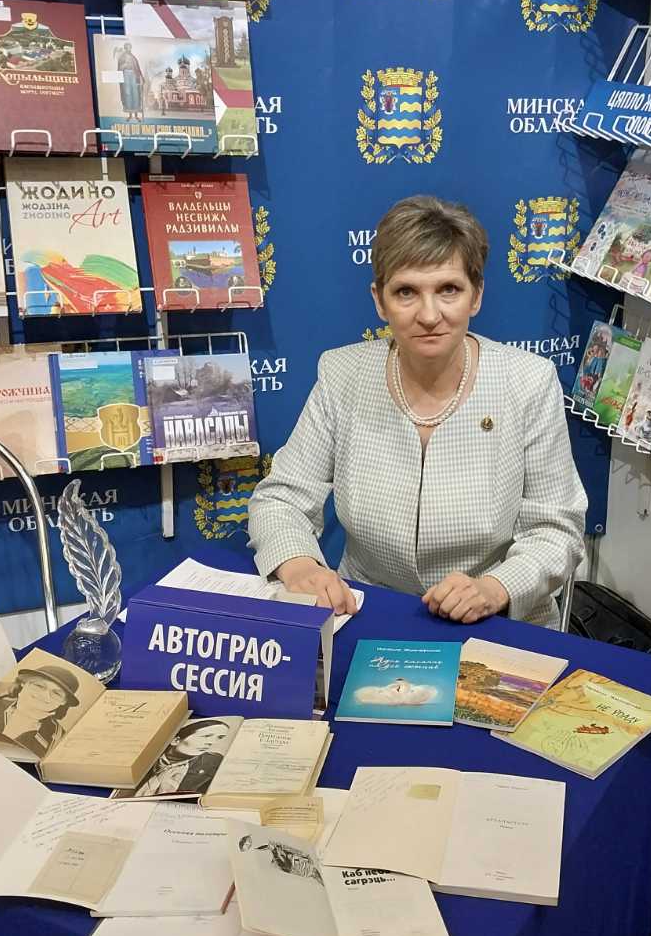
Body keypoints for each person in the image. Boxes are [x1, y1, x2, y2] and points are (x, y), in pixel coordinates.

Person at [247, 196, 586, 628]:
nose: (429, 315)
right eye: (406, 292)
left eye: (449, 290)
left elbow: (557, 529)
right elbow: (281, 499)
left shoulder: (528, 381)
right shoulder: (342, 374)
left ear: (476, 295)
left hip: (495, 620)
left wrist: (495, 588)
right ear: (379, 301)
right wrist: (300, 566)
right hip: (370, 611)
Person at [0, 663, 80, 757]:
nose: (45, 695)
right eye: (39, 686)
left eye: (56, 693)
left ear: (64, 702)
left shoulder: (59, 738)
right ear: (23, 683)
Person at [126, 717, 236, 797]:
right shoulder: (146, 756)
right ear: (176, 740)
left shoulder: (213, 763)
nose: (211, 742)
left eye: (219, 738)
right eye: (206, 736)